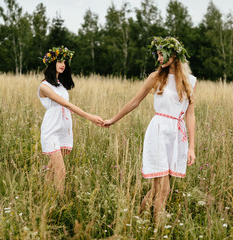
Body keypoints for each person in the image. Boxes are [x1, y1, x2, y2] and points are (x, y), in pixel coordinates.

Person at [104, 37, 196, 225]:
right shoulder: (155, 78)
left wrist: (192, 147)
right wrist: (113, 120)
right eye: (158, 54)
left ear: (175, 54)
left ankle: (135, 221)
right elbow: (134, 101)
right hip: (159, 132)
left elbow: (190, 115)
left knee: (157, 189)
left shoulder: (190, 81)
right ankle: (158, 231)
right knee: (164, 188)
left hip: (177, 135)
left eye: (163, 54)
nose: (159, 58)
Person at [38, 46, 104, 194]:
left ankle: (44, 195)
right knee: (61, 170)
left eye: (65, 62)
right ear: (51, 63)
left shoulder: (60, 85)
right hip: (51, 130)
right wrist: (90, 117)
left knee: (52, 169)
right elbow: (66, 104)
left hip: (62, 129)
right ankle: (58, 202)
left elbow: (66, 108)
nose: (63, 65)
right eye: (59, 61)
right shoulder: (44, 86)